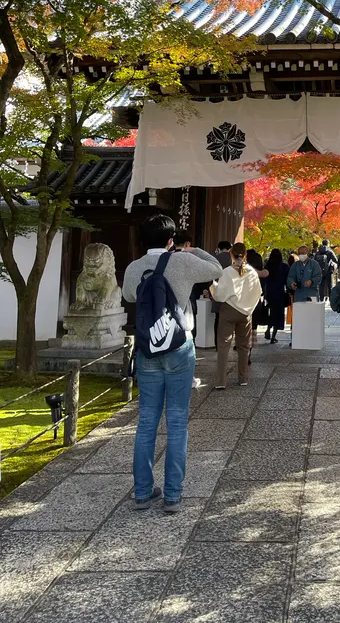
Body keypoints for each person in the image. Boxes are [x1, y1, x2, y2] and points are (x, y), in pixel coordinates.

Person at [122, 214, 222, 513]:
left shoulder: (134, 267)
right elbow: (217, 268)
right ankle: (173, 495)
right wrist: (191, 250)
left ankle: (142, 493)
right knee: (177, 421)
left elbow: (128, 295)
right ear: (171, 240)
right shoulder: (183, 261)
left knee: (146, 421)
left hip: (148, 350)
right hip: (179, 346)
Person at [212, 242, 263, 389]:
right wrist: (249, 309)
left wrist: (213, 288)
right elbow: (258, 293)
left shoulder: (227, 271)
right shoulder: (252, 272)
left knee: (223, 346)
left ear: (231, 254)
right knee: (244, 347)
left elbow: (220, 295)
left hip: (229, 310)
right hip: (246, 313)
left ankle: (221, 381)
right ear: (245, 254)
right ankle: (243, 378)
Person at [172, 230, 210, 389]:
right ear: (188, 243)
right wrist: (196, 251)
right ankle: (188, 376)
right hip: (187, 305)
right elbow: (213, 268)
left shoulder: (166, 258)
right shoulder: (191, 259)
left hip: (168, 305)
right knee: (188, 340)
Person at [263, 248, 290, 343]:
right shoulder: (284, 267)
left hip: (270, 293)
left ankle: (268, 329)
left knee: (271, 313)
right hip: (280, 293)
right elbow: (287, 281)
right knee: (278, 315)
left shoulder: (267, 266)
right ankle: (273, 336)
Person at [212, 241, 233, 350]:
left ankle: (217, 344)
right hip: (230, 293)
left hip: (218, 291)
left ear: (219, 248)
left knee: (218, 319)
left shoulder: (214, 259)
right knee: (229, 320)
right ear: (229, 248)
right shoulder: (233, 259)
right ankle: (227, 344)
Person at [246, 249, 269, 342]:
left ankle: (243, 342)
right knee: (254, 322)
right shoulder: (263, 273)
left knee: (244, 322)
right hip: (256, 299)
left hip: (244, 300)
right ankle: (250, 343)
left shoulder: (244, 272)